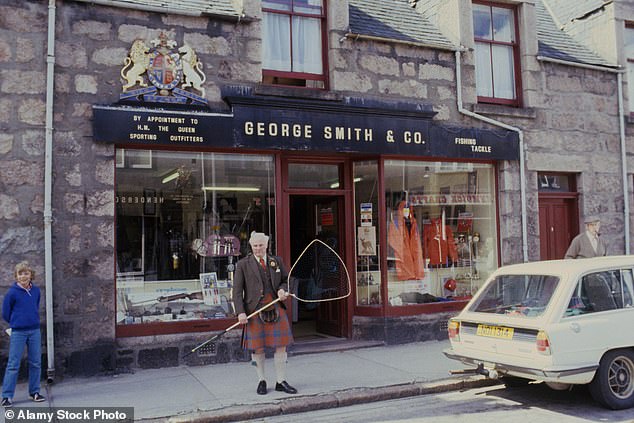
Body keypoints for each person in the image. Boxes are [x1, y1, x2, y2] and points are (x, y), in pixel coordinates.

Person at [232, 231, 297, 395]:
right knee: (258, 348)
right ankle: (261, 380)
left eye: (261, 245)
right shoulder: (242, 265)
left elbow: (286, 280)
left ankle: (281, 381)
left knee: (281, 346)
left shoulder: (277, 261)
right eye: (255, 246)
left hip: (275, 307)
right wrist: (240, 313)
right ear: (251, 246)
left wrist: (283, 290)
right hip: (254, 310)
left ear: (266, 245)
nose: (258, 248)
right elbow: (237, 292)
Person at [1, 261, 46, 407]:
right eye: (20, 273)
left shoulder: (36, 291)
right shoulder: (12, 293)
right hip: (18, 332)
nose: (23, 276)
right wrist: (16, 322)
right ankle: (7, 396)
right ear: (16, 276)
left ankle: (34, 392)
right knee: (13, 364)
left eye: (26, 273)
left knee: (36, 362)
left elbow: (35, 305)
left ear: (31, 275)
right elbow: (6, 313)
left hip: (34, 330)